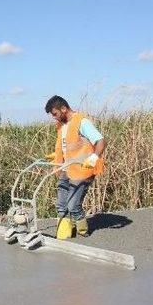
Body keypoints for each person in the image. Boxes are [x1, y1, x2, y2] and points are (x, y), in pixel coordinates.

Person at [45, 95, 106, 239]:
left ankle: (83, 231)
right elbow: (69, 145)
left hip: (82, 170)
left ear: (64, 109)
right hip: (65, 168)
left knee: (73, 206)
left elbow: (101, 141)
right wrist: (57, 155)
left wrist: (93, 157)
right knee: (61, 205)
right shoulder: (62, 125)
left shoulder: (81, 122)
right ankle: (65, 234)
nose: (54, 117)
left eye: (55, 114)